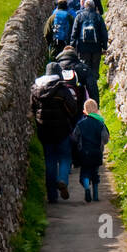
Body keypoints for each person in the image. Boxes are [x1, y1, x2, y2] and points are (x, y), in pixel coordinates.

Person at [31, 62, 78, 202]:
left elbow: (32, 109)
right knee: (65, 157)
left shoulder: (36, 89)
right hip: (62, 129)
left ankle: (52, 196)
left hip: (44, 130)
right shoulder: (62, 90)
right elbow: (72, 109)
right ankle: (62, 179)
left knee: (50, 160)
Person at [71, 98, 110, 203]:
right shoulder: (101, 124)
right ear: (96, 110)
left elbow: (74, 137)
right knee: (95, 174)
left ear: (85, 111)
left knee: (85, 174)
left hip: (84, 153)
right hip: (97, 152)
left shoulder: (81, 124)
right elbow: (105, 138)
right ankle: (96, 196)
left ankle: (87, 188)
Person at [71, 0, 109, 81]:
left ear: (84, 6)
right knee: (95, 68)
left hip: (83, 47)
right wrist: (104, 46)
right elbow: (104, 33)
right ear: (93, 6)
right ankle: (94, 85)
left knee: (84, 66)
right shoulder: (98, 17)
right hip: (96, 47)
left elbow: (74, 32)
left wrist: (72, 46)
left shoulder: (79, 17)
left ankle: (85, 88)